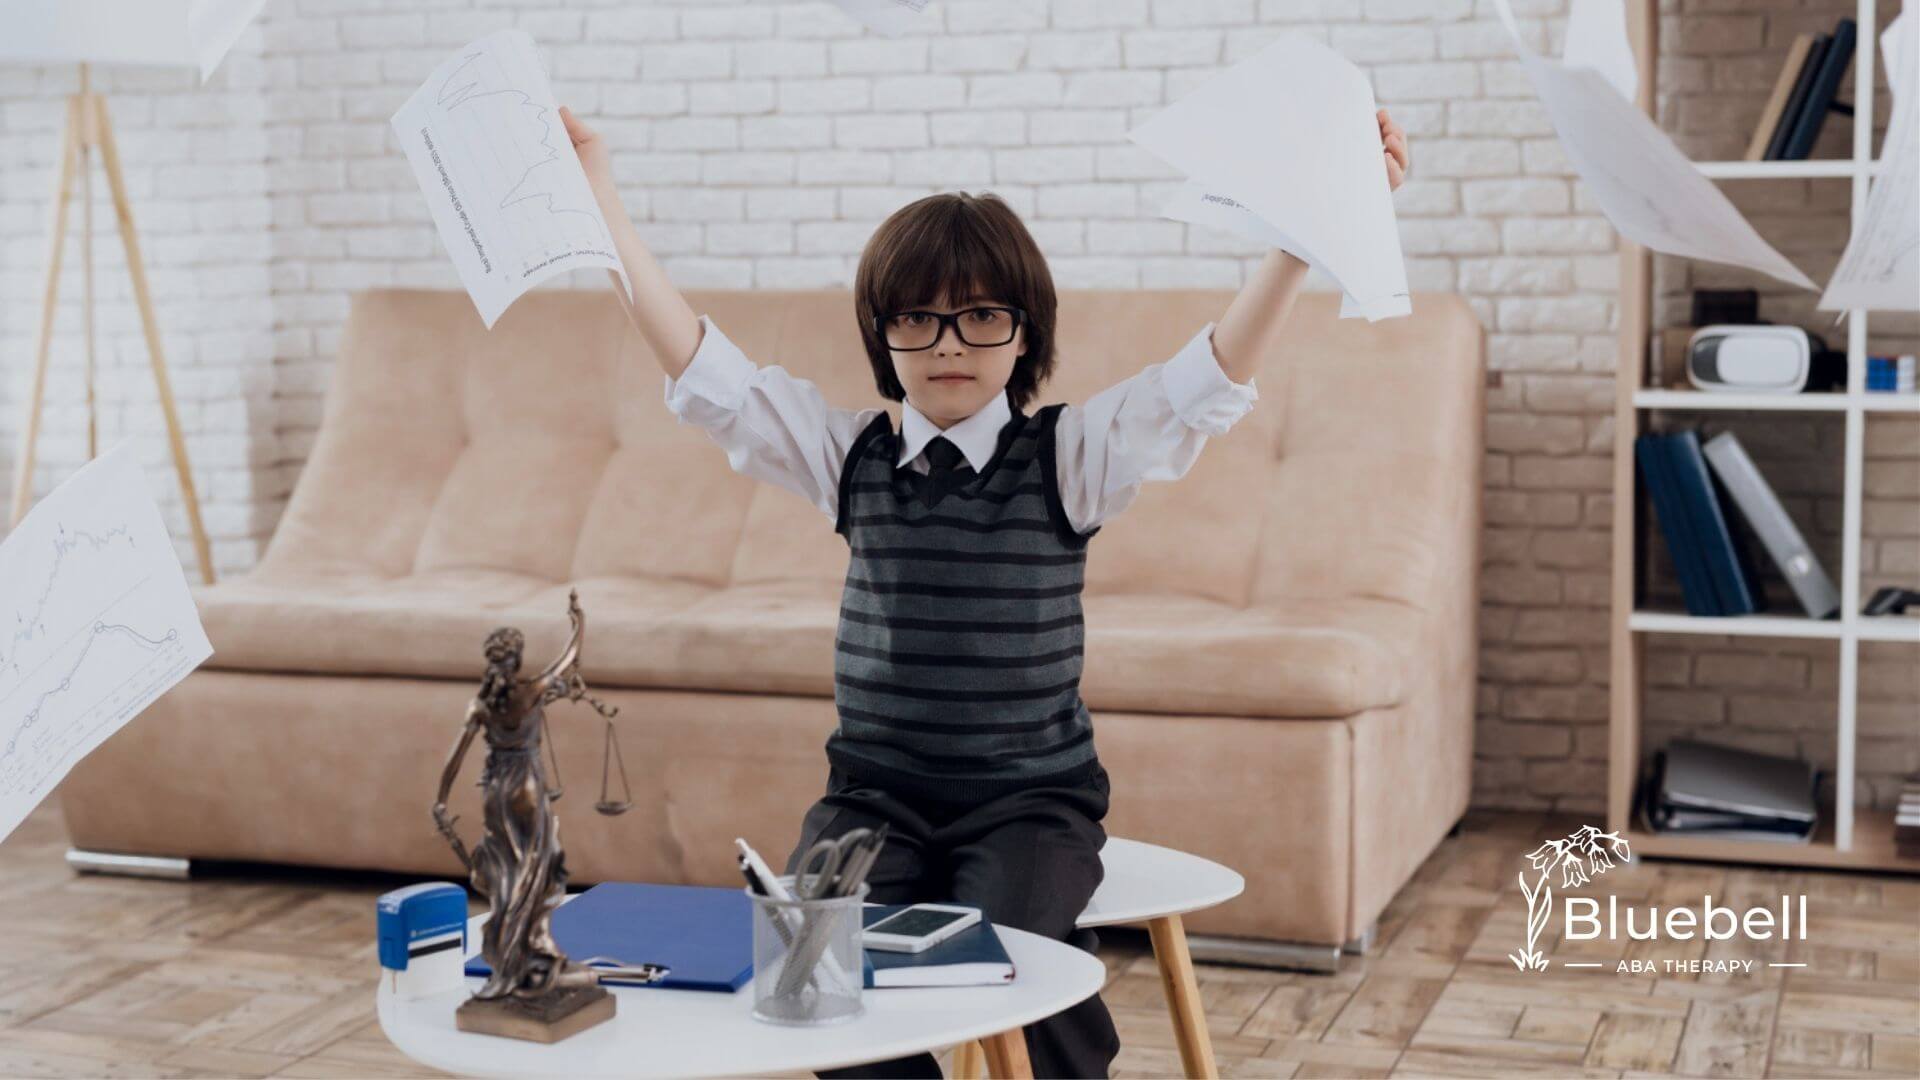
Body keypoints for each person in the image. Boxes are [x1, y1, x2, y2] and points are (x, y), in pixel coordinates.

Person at [561, 105, 1409, 1078]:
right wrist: (599, 202)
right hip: (871, 802)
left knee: (1019, 964)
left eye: (980, 316)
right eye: (916, 318)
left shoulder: (1070, 458)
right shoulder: (850, 458)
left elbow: (1207, 374)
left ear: (1022, 333)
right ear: (884, 338)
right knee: (813, 968)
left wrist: (1302, 236)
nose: (948, 343)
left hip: (1029, 805)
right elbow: (704, 369)